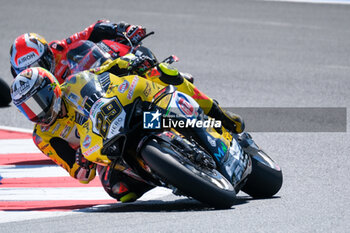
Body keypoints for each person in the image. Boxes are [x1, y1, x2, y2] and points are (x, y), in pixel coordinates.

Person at [9, 19, 147, 83]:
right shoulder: (27, 94)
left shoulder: (59, 49)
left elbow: (92, 30)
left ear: (48, 55)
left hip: (100, 87)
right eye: (25, 73)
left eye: (36, 67)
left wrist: (121, 29)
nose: (34, 74)